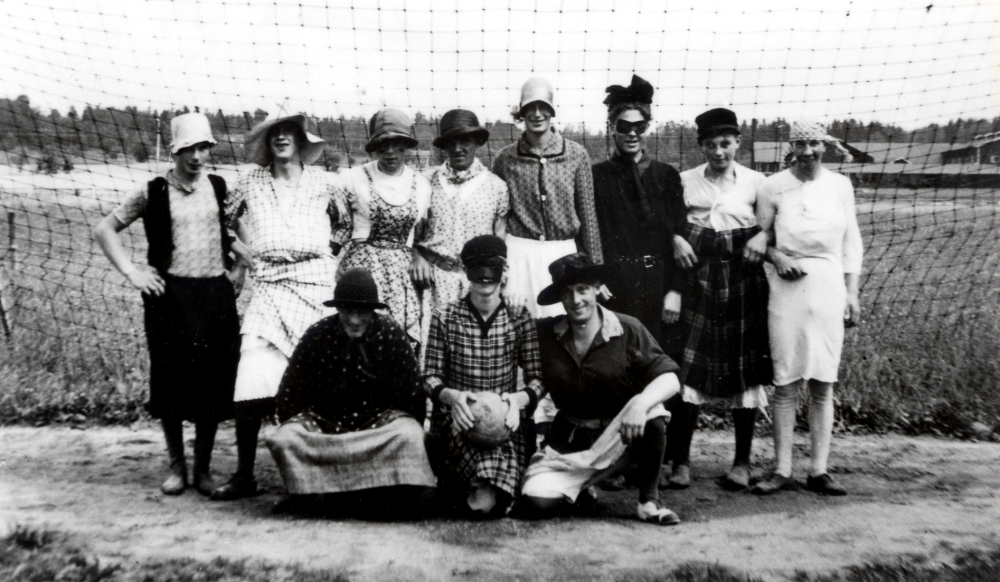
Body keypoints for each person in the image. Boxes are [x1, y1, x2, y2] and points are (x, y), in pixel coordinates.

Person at [93, 112, 242, 496]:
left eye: (203, 148)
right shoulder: (152, 191)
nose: (196, 156)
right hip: (169, 298)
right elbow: (105, 229)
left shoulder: (219, 187)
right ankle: (177, 466)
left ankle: (203, 469)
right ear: (175, 151)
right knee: (171, 381)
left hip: (215, 296)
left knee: (212, 382)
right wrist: (133, 272)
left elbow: (237, 230)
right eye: (188, 148)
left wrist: (240, 266)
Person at [213, 109, 342, 500]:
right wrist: (242, 255)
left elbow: (345, 223)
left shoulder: (324, 182)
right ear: (267, 142)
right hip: (269, 286)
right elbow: (221, 219)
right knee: (251, 376)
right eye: (274, 133)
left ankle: (321, 475)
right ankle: (244, 475)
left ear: (301, 140)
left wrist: (327, 252)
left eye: (289, 132)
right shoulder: (251, 180)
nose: (282, 138)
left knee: (321, 382)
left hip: (316, 287)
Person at [520, 253, 682, 525]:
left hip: (621, 437)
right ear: (560, 297)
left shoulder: (627, 328)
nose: (576, 300)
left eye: (583, 289)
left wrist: (640, 404)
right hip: (572, 441)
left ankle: (649, 501)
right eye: (567, 292)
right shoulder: (546, 334)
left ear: (597, 288)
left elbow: (670, 379)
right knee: (536, 502)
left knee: (652, 409)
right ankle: (582, 491)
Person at [750, 120, 863, 497]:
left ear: (824, 145)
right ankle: (782, 469)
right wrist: (777, 256)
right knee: (785, 382)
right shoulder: (772, 186)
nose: (808, 151)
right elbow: (758, 238)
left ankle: (819, 470)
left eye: (814, 143)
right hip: (787, 289)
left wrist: (852, 292)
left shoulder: (840, 185)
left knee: (822, 382)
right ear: (792, 147)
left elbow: (851, 241)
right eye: (800, 143)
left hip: (829, 286)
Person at [266, 268, 436, 518]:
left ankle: (336, 496)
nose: (355, 320)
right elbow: (291, 389)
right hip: (326, 423)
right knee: (285, 439)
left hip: (378, 426)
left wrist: (406, 430)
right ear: (337, 309)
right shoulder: (317, 334)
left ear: (373, 311)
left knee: (410, 435)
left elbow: (412, 394)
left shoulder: (391, 334)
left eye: (362, 311)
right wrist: (296, 423)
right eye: (347, 310)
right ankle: (326, 492)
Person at [666, 108, 774, 491]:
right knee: (689, 367)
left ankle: (742, 462)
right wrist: (675, 238)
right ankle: (681, 461)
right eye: (710, 145)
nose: (718, 152)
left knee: (744, 372)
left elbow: (773, 225)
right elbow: (669, 224)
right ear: (701, 146)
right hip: (697, 279)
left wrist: (764, 236)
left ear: (738, 142)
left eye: (725, 143)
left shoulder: (758, 183)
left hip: (742, 280)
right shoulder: (685, 181)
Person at [423, 235, 543, 518]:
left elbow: (538, 379)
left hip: (505, 424)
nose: (485, 276)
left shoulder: (518, 316)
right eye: (476, 268)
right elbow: (429, 376)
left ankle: (476, 489)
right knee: (479, 500)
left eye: (493, 268)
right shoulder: (445, 316)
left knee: (489, 501)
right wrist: (452, 398)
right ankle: (458, 481)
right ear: (465, 271)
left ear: (505, 271)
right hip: (459, 421)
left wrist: (517, 401)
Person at [492, 77, 604, 318]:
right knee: (520, 325)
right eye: (529, 108)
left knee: (562, 325)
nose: (536, 114)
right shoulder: (504, 158)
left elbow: (588, 215)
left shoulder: (577, 154)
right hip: (519, 255)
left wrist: (596, 272)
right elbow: (498, 215)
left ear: (552, 111)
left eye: (543, 106)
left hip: (564, 255)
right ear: (521, 113)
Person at [335, 109, 432, 349]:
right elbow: (338, 227)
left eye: (396, 144)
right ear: (375, 147)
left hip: (401, 274)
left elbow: (419, 236)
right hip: (361, 268)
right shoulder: (352, 178)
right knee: (357, 332)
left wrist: (417, 256)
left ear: (405, 146)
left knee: (395, 339)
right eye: (383, 144)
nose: (390, 151)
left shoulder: (421, 185)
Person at [411, 109, 509, 310]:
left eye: (464, 141)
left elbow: (501, 243)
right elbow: (410, 234)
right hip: (433, 283)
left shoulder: (496, 187)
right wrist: (417, 257)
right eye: (451, 142)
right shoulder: (425, 182)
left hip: (478, 286)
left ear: (476, 142)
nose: (457, 149)